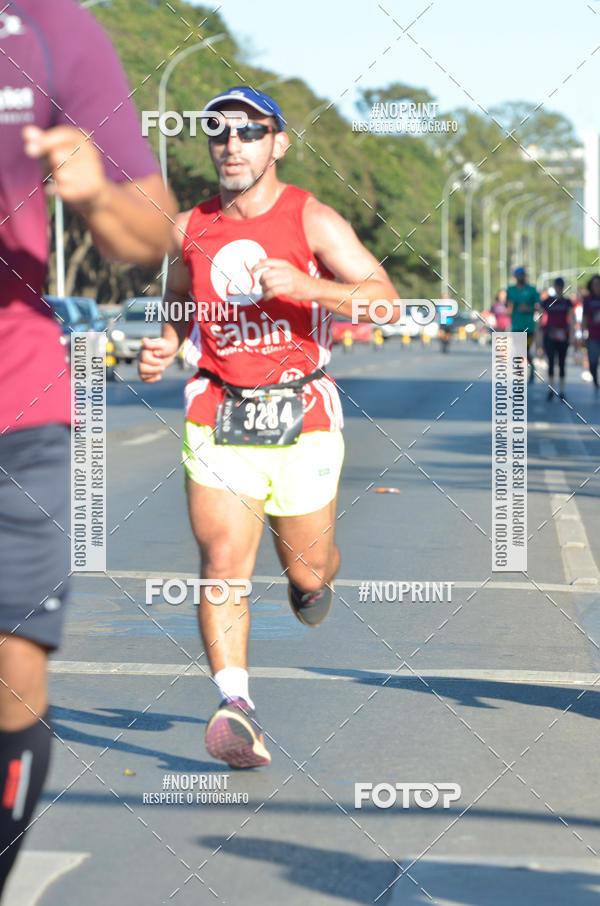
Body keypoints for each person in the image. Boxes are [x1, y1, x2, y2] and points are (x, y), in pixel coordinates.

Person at [138, 86, 397, 769]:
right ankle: (236, 705)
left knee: (307, 570)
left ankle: (313, 582)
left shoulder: (312, 218)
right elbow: (177, 298)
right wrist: (166, 343)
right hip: (218, 407)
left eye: (249, 131)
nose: (232, 143)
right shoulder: (188, 226)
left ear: (278, 143)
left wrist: (311, 288)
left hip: (303, 410)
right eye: (219, 131)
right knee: (223, 560)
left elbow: (387, 304)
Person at [0, 0, 176, 892]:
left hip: (14, 397)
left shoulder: (49, 27)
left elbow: (152, 233)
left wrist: (97, 192)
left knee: (10, 669)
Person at [506, 266, 540, 383]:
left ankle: (531, 367)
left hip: (529, 327)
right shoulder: (511, 290)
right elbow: (508, 306)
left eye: (522, 274)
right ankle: (519, 376)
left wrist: (529, 309)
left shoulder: (532, 290)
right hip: (516, 327)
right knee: (518, 351)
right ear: (515, 276)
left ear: (524, 276)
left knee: (525, 350)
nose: (520, 277)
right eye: (518, 275)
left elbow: (539, 307)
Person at [542, 277, 572, 401]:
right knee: (550, 361)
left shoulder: (567, 302)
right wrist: (540, 337)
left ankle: (562, 390)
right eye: (557, 287)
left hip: (563, 336)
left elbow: (571, 319)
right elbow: (541, 318)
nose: (559, 289)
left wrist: (571, 335)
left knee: (561, 362)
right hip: (550, 335)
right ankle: (551, 388)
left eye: (560, 287)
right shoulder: (547, 301)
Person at [582, 274, 600, 399]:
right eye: (594, 284)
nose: (597, 287)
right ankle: (595, 380)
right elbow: (584, 318)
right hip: (593, 335)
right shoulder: (588, 300)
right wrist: (583, 335)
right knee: (593, 361)